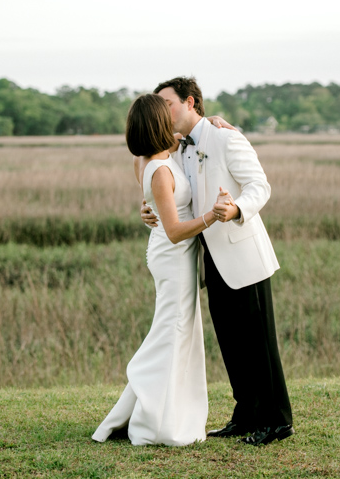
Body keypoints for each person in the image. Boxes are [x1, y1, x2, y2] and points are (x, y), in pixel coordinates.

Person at [142, 77, 293, 446]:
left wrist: (236, 208)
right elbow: (170, 191)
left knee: (259, 342)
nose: (163, 111)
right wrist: (148, 209)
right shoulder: (175, 148)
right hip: (208, 257)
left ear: (190, 102)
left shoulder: (226, 137)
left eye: (168, 103)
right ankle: (246, 414)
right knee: (231, 341)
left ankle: (277, 421)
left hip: (242, 253)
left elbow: (260, 186)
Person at [92, 93, 229, 446]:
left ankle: (161, 411)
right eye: (164, 113)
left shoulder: (154, 158)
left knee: (178, 331)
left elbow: (184, 142)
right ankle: (153, 420)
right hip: (173, 256)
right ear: (156, 123)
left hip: (175, 255)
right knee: (172, 331)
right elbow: (174, 230)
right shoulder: (159, 169)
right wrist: (212, 216)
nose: (171, 116)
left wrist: (214, 123)